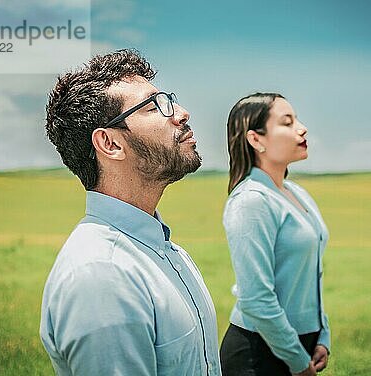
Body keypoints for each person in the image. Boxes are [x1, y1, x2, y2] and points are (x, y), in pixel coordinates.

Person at [40, 49, 221, 376]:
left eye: (169, 100)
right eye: (153, 106)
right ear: (110, 143)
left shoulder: (163, 249)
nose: (181, 113)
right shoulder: (103, 276)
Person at [219, 93, 331, 376]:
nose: (302, 128)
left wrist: (322, 336)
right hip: (258, 355)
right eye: (287, 122)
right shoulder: (251, 201)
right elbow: (256, 298)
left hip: (301, 344)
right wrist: (297, 361)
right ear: (256, 140)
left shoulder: (297, 194)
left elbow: (312, 276)